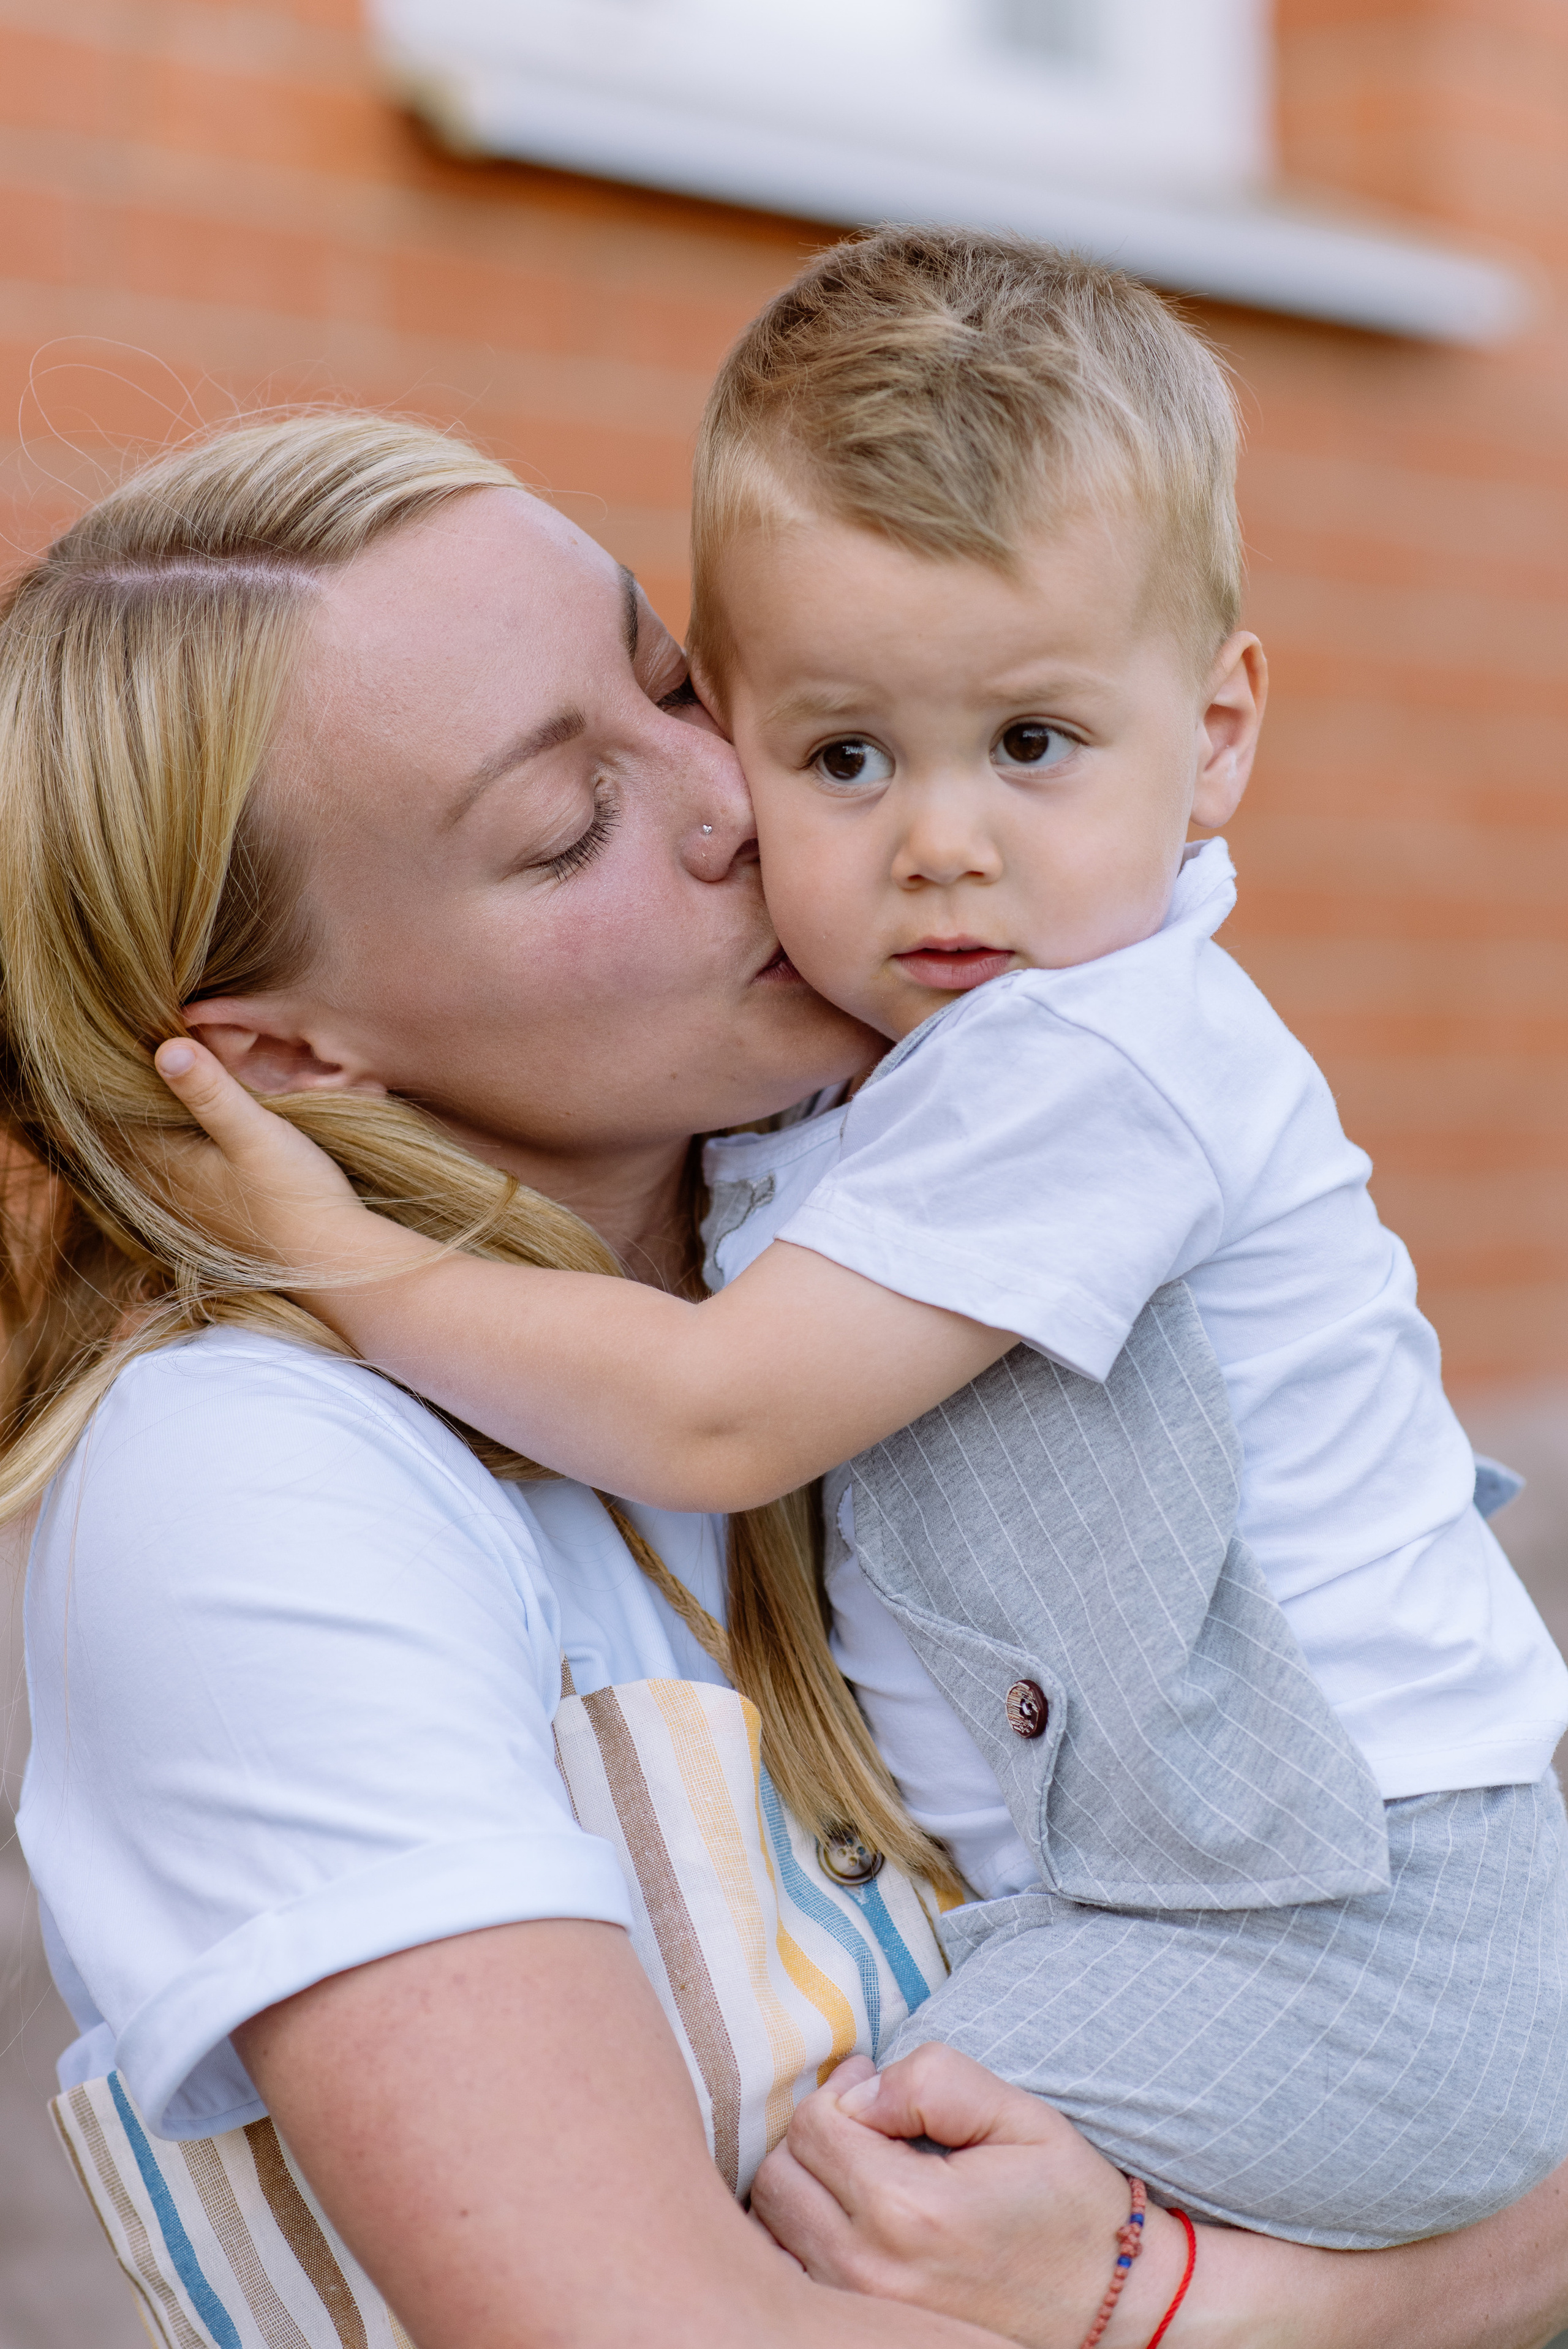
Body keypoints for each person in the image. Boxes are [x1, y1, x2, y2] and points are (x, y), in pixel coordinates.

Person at [5, 405, 1566, 2349]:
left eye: (676, 678)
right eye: (568, 824)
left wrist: (1179, 2300)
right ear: (298, 1058)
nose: (737, 793)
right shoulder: (245, 1484)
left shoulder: (896, 1230)